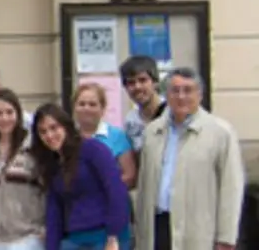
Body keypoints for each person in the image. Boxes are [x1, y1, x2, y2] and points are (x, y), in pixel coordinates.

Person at [135, 67, 244, 250]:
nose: (181, 96)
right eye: (175, 90)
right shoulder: (152, 132)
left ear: (200, 95)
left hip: (198, 229)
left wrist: (226, 237)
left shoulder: (220, 133)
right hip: (158, 225)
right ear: (166, 95)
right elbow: (144, 186)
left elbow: (231, 188)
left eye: (188, 90)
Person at [30, 103, 129, 250]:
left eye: (54, 128)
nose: (49, 135)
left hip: (105, 235)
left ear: (66, 126)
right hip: (74, 238)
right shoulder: (52, 164)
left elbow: (116, 191)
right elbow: (54, 211)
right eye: (43, 132)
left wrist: (113, 236)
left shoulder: (93, 149)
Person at [0, 89, 45, 250]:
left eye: (9, 112)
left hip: (27, 236)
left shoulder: (33, 148)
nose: (4, 118)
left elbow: (47, 188)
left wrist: (45, 227)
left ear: (18, 114)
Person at [72, 83, 136, 188]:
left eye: (92, 104)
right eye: (81, 104)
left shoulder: (117, 136)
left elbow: (129, 176)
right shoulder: (69, 138)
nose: (86, 108)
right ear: (74, 108)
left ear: (102, 109)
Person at [119, 56, 166, 154]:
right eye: (131, 82)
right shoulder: (131, 121)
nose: (137, 87)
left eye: (142, 80)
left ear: (155, 82)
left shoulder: (172, 114)